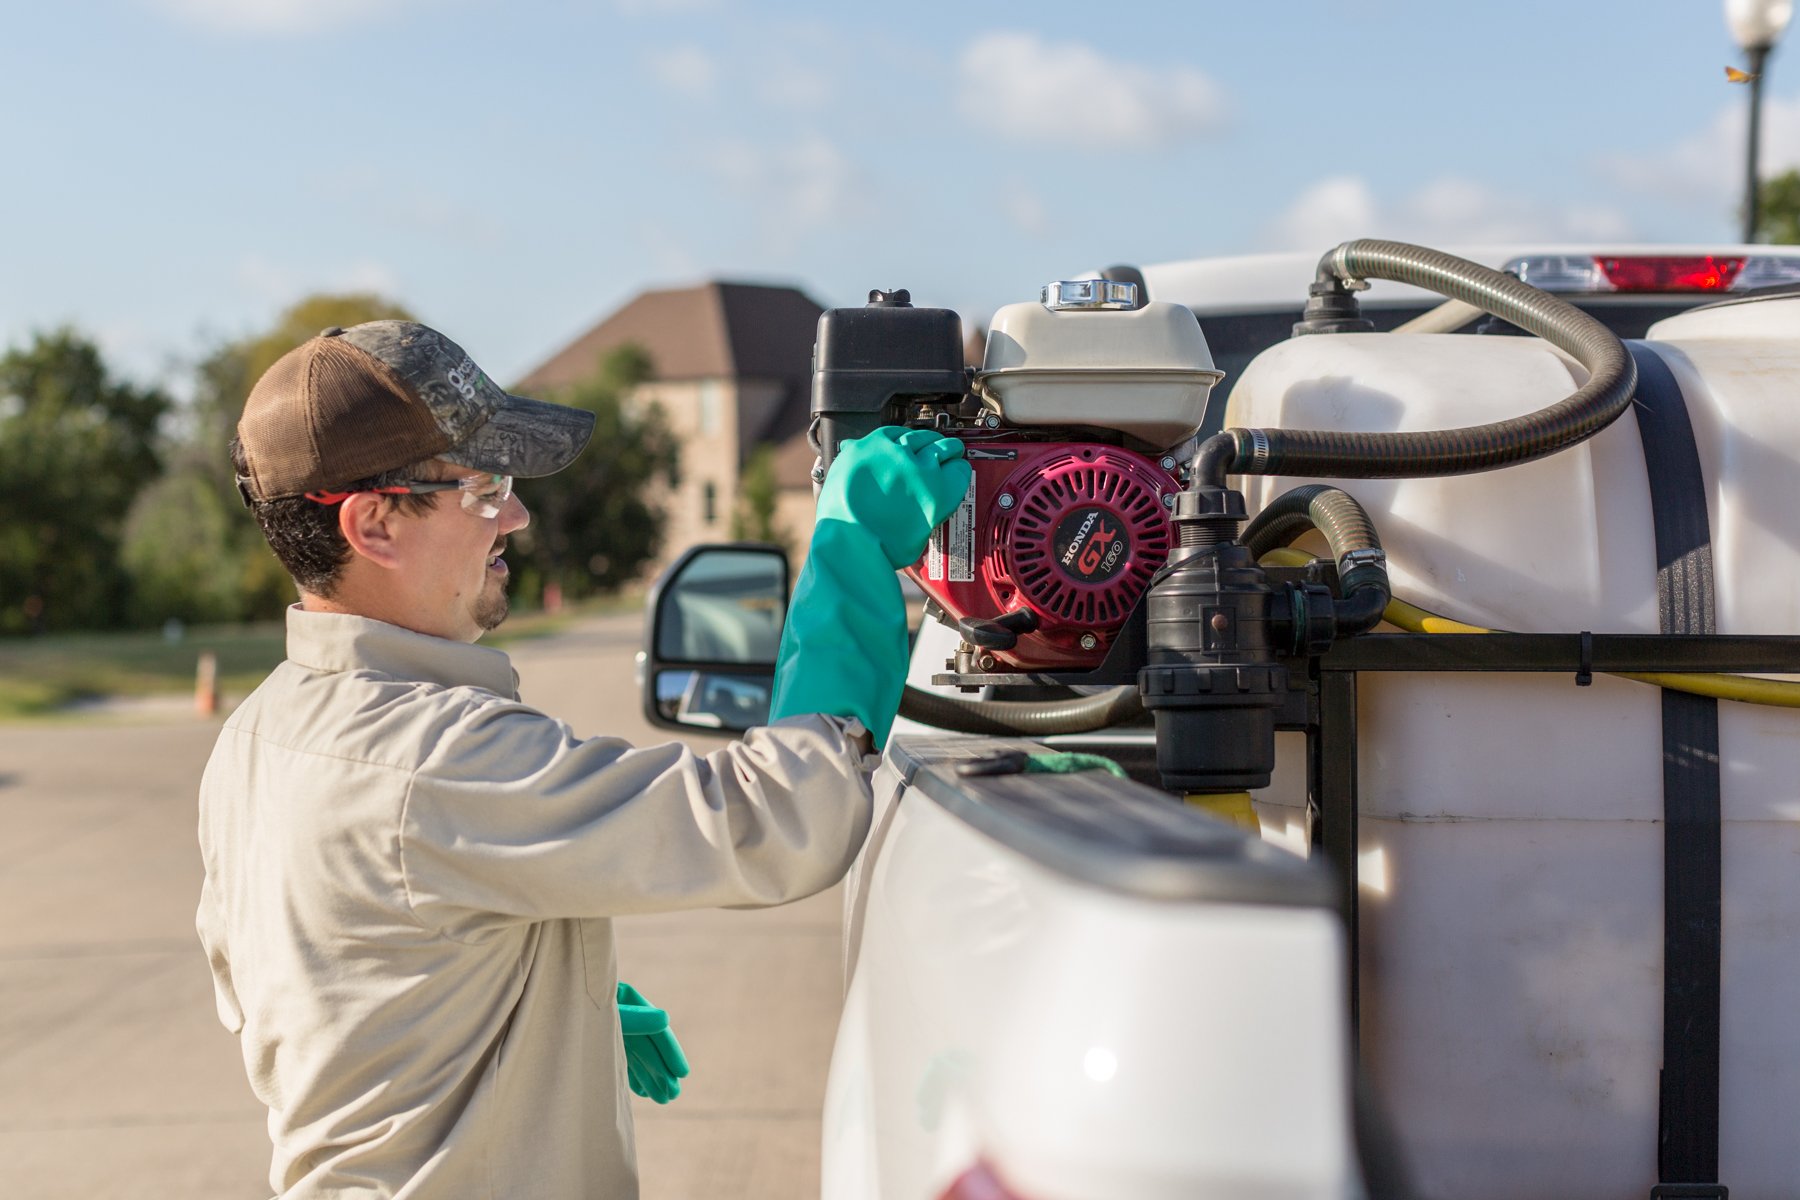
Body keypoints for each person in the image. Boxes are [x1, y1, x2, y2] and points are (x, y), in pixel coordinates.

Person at [196, 320, 968, 1199]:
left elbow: (278, 980)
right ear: (374, 522)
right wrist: (851, 556)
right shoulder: (436, 757)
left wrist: (524, 990)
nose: (516, 516)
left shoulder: (255, 735)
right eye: (484, 486)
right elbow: (781, 822)